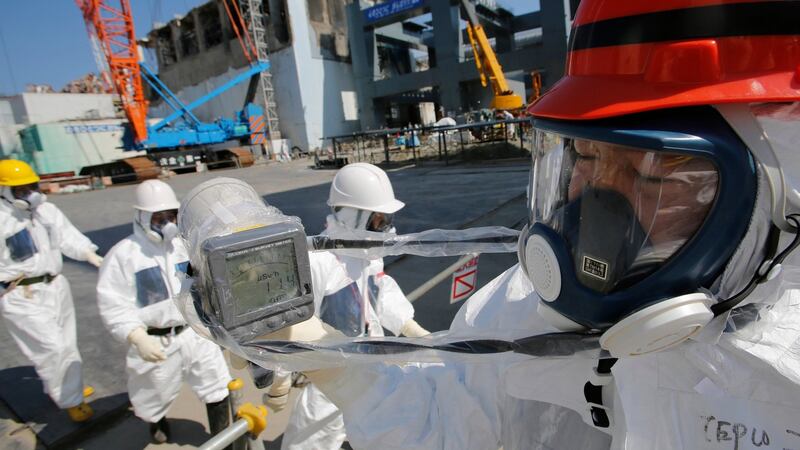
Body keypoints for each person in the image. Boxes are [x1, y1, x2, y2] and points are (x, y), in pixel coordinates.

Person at [239, 1, 800, 448]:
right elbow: (441, 425)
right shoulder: (521, 313)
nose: (596, 198)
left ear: (781, 198)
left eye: (655, 173)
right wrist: (339, 368)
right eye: (584, 156)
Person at [266, 162, 430, 450]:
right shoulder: (317, 261)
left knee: (375, 434)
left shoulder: (365, 255)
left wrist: (409, 325)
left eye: (386, 219)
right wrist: (279, 376)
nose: (386, 228)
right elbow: (286, 322)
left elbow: (381, 289)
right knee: (312, 442)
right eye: (379, 220)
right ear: (352, 216)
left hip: (373, 366)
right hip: (330, 377)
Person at [96, 180, 232, 443]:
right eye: (158, 217)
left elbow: (207, 281)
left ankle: (223, 439)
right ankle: (157, 421)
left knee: (217, 386)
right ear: (141, 217)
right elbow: (112, 303)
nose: (167, 223)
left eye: (171, 216)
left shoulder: (183, 246)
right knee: (152, 395)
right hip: (155, 341)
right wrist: (135, 336)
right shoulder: (124, 256)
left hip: (194, 333)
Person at [0, 159, 102, 422]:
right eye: (20, 190)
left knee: (66, 342)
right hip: (21, 293)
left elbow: (67, 237)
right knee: (52, 347)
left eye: (31, 187)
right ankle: (71, 400)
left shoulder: (47, 211)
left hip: (56, 285)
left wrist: (89, 254)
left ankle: (68, 387)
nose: (29, 195)